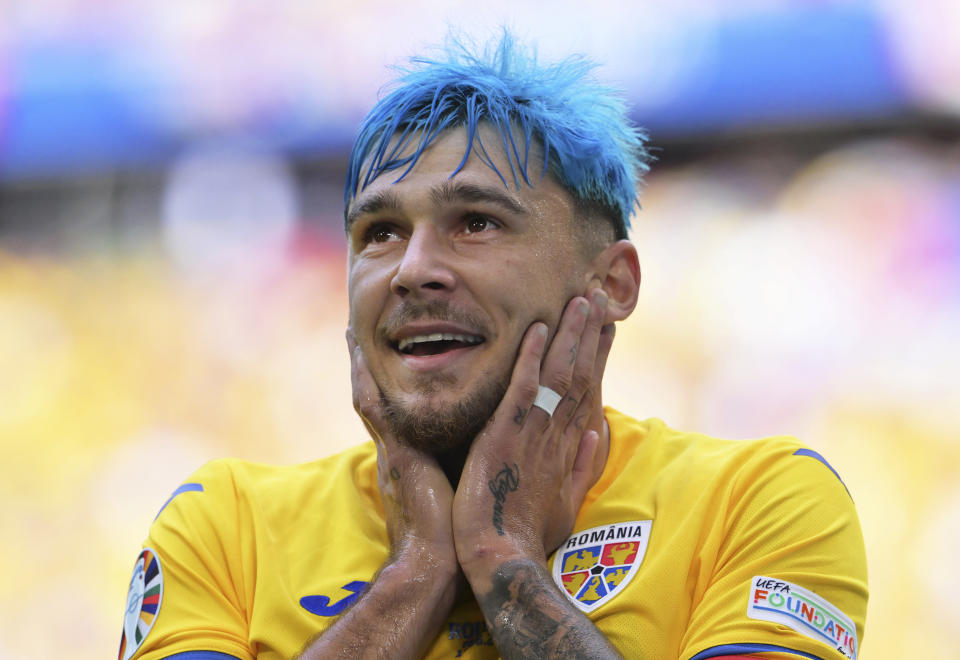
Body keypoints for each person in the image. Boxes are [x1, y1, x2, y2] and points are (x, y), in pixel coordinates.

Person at [118, 32, 868, 660]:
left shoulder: (759, 501)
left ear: (612, 283)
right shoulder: (224, 523)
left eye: (476, 221)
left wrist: (503, 560)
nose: (412, 270)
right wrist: (415, 573)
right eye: (380, 233)